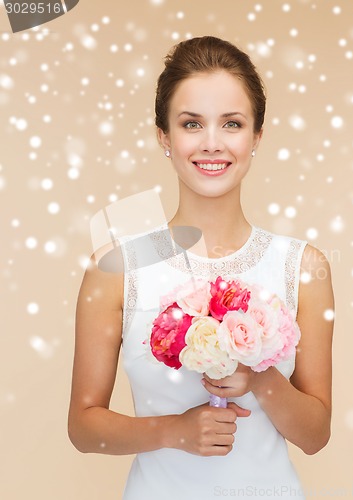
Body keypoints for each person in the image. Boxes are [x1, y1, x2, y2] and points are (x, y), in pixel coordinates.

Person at [68, 36, 334, 499]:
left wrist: (259, 377)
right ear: (164, 137)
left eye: (231, 123)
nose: (212, 143)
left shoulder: (303, 269)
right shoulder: (117, 269)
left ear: (257, 137)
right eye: (192, 124)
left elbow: (315, 437)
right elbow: (83, 427)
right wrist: (174, 431)